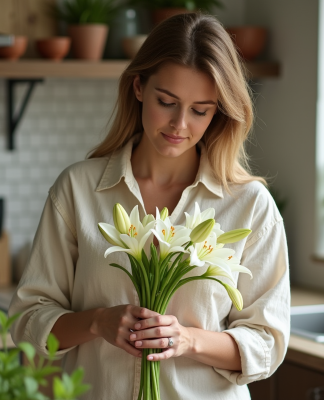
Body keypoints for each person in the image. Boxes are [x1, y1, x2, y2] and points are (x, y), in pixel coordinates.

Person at [9, 12, 290, 400]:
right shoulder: (78, 190)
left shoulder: (249, 205)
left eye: (200, 109)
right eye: (167, 101)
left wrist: (189, 339)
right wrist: (97, 322)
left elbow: (268, 343)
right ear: (139, 87)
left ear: (219, 111)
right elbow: (27, 320)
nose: (179, 124)